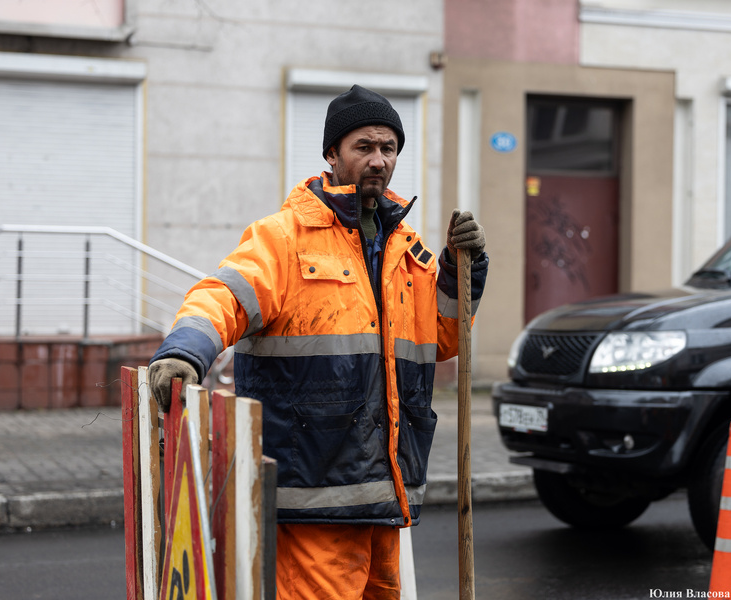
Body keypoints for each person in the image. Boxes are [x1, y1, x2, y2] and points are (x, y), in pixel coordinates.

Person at [148, 84, 489, 599]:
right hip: (313, 495)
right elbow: (223, 297)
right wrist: (184, 351)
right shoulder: (283, 238)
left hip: (385, 493)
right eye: (363, 147)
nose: (378, 160)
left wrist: (462, 271)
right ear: (332, 154)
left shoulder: (407, 248)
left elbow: (442, 337)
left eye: (388, 148)